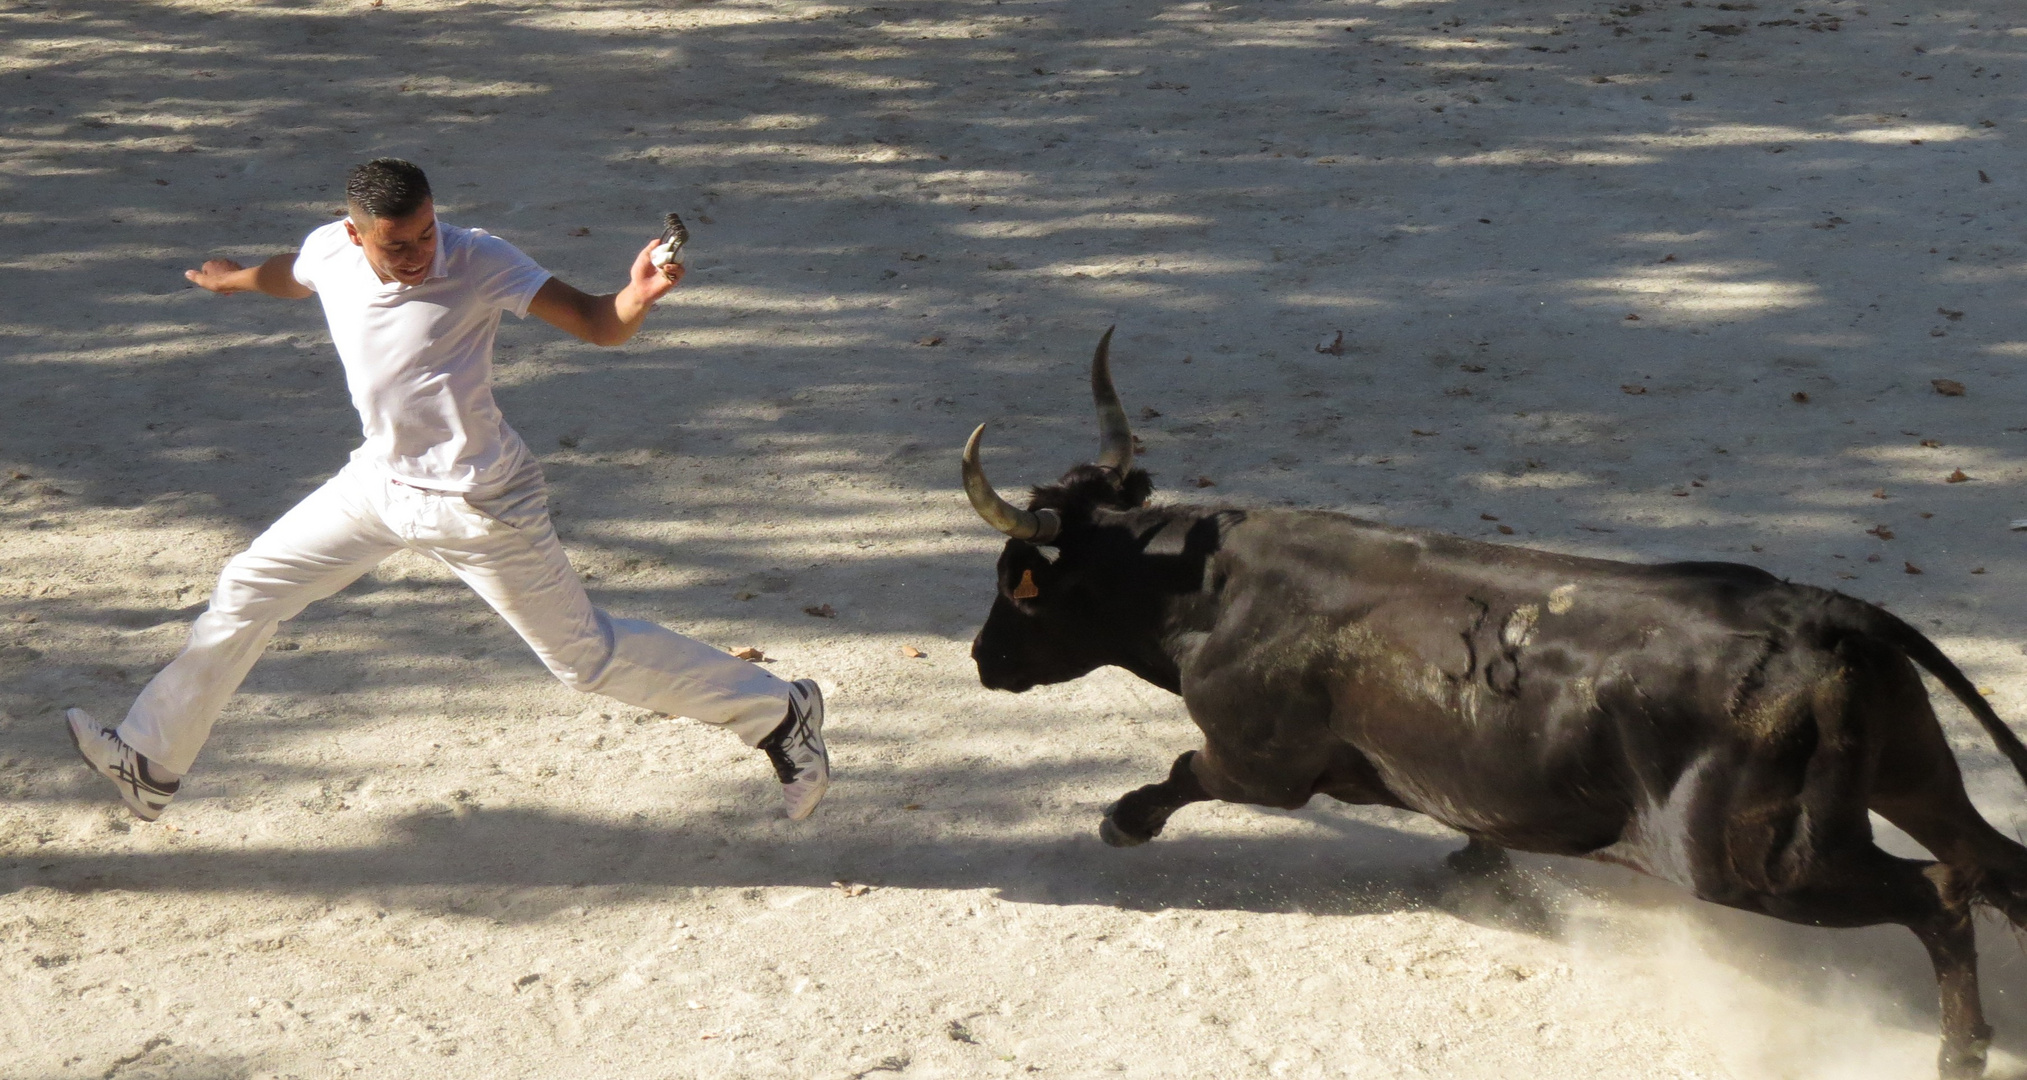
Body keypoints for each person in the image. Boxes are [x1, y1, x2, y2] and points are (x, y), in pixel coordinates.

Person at [64, 158, 829, 822]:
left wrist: (638, 294)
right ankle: (150, 761)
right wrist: (232, 278)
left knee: (583, 660)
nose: (419, 253)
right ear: (354, 231)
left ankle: (778, 711)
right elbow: (291, 275)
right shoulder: (329, 250)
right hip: (376, 482)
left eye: (426, 233)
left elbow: (598, 324)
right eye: (397, 243)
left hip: (477, 501)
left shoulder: (477, 259)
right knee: (247, 589)